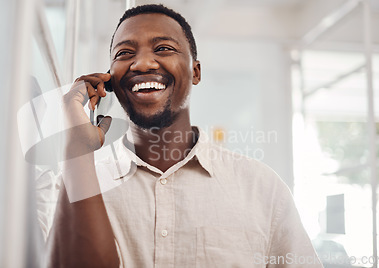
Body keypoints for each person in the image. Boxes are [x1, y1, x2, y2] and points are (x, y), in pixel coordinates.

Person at [39, 4, 322, 267]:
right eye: (124, 53)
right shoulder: (76, 183)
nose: (142, 64)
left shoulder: (263, 188)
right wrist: (76, 150)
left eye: (163, 48)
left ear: (195, 71)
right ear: (109, 79)